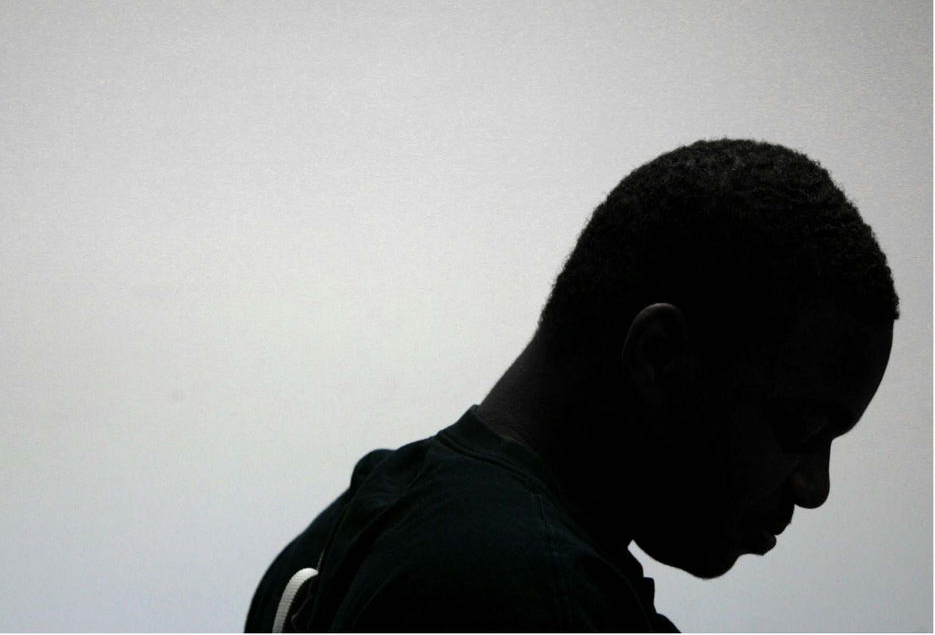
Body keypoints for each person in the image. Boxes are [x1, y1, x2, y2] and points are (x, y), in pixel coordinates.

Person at [245, 138, 898, 632]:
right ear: (659, 357)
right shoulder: (530, 595)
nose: (814, 487)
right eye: (802, 431)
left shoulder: (371, 511)